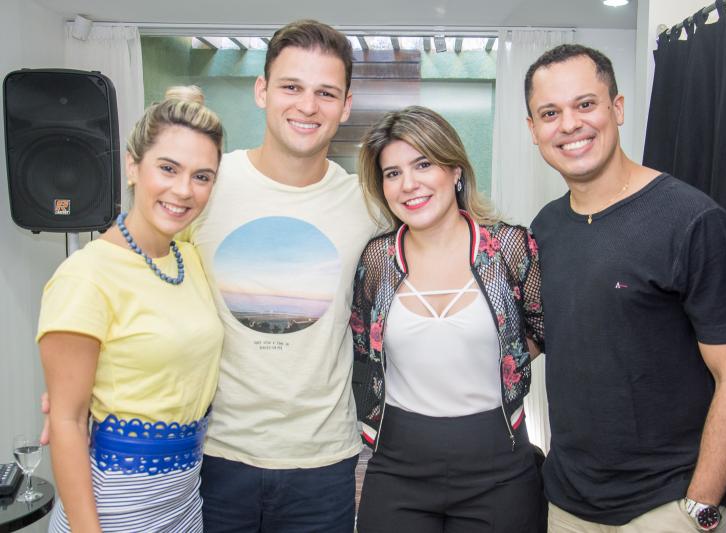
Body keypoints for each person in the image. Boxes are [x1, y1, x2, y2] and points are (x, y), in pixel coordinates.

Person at [525, 44, 726, 532]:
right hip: (567, 504)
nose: (569, 124)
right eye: (550, 113)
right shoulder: (545, 227)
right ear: (533, 130)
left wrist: (699, 509)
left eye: (585, 104)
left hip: (666, 506)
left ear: (617, 108)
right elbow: (544, 335)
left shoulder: (693, 221)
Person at [181, 20, 377, 532]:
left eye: (325, 93)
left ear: (346, 106)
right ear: (262, 91)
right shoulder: (206, 184)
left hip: (323, 460)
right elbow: (138, 268)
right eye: (291, 87)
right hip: (215, 453)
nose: (307, 106)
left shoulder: (368, 204)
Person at [351, 105, 546, 532]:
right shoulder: (378, 259)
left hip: (499, 466)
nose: (409, 184)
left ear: (455, 169)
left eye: (423, 164)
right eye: (393, 173)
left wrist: (494, 357)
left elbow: (545, 332)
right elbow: (364, 353)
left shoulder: (509, 249)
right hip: (397, 465)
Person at [38, 86, 225, 532]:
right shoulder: (86, 276)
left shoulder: (189, 258)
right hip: (113, 502)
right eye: (168, 168)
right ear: (132, 165)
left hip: (183, 499)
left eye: (202, 176)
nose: (184, 190)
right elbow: (66, 421)